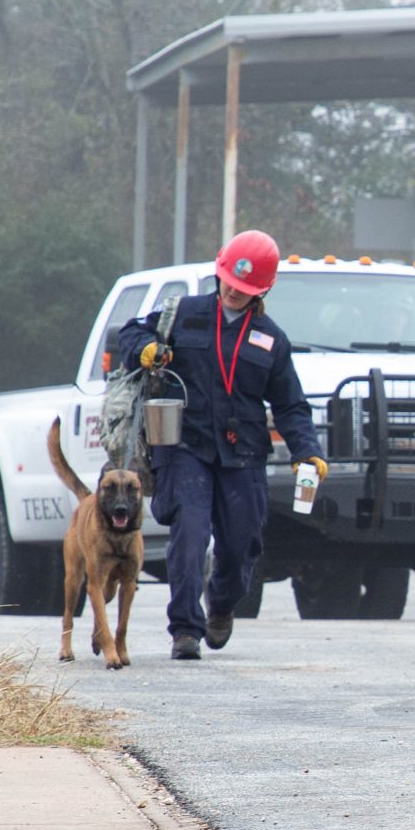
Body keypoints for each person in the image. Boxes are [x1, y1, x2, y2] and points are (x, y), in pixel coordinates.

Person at [118, 234, 325, 659]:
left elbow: (291, 405)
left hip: (243, 453)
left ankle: (222, 605)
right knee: (190, 533)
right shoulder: (183, 314)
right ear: (219, 270)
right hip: (184, 446)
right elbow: (130, 334)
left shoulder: (271, 339)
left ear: (263, 290)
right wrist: (146, 349)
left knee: (242, 542)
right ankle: (185, 630)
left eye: (245, 289)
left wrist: (309, 451)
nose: (233, 291)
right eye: (230, 281)